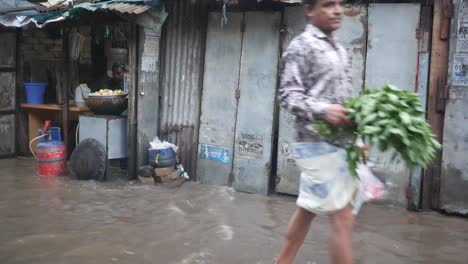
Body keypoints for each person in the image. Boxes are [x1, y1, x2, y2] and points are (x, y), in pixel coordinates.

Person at [276, 0, 362, 264]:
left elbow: (346, 102)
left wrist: (357, 138)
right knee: (343, 216)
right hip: (315, 144)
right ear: (309, 10)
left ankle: (282, 261)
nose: (337, 10)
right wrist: (324, 110)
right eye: (328, 5)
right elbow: (288, 95)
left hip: (339, 145)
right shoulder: (301, 46)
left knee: (307, 209)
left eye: (339, 4)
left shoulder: (340, 49)